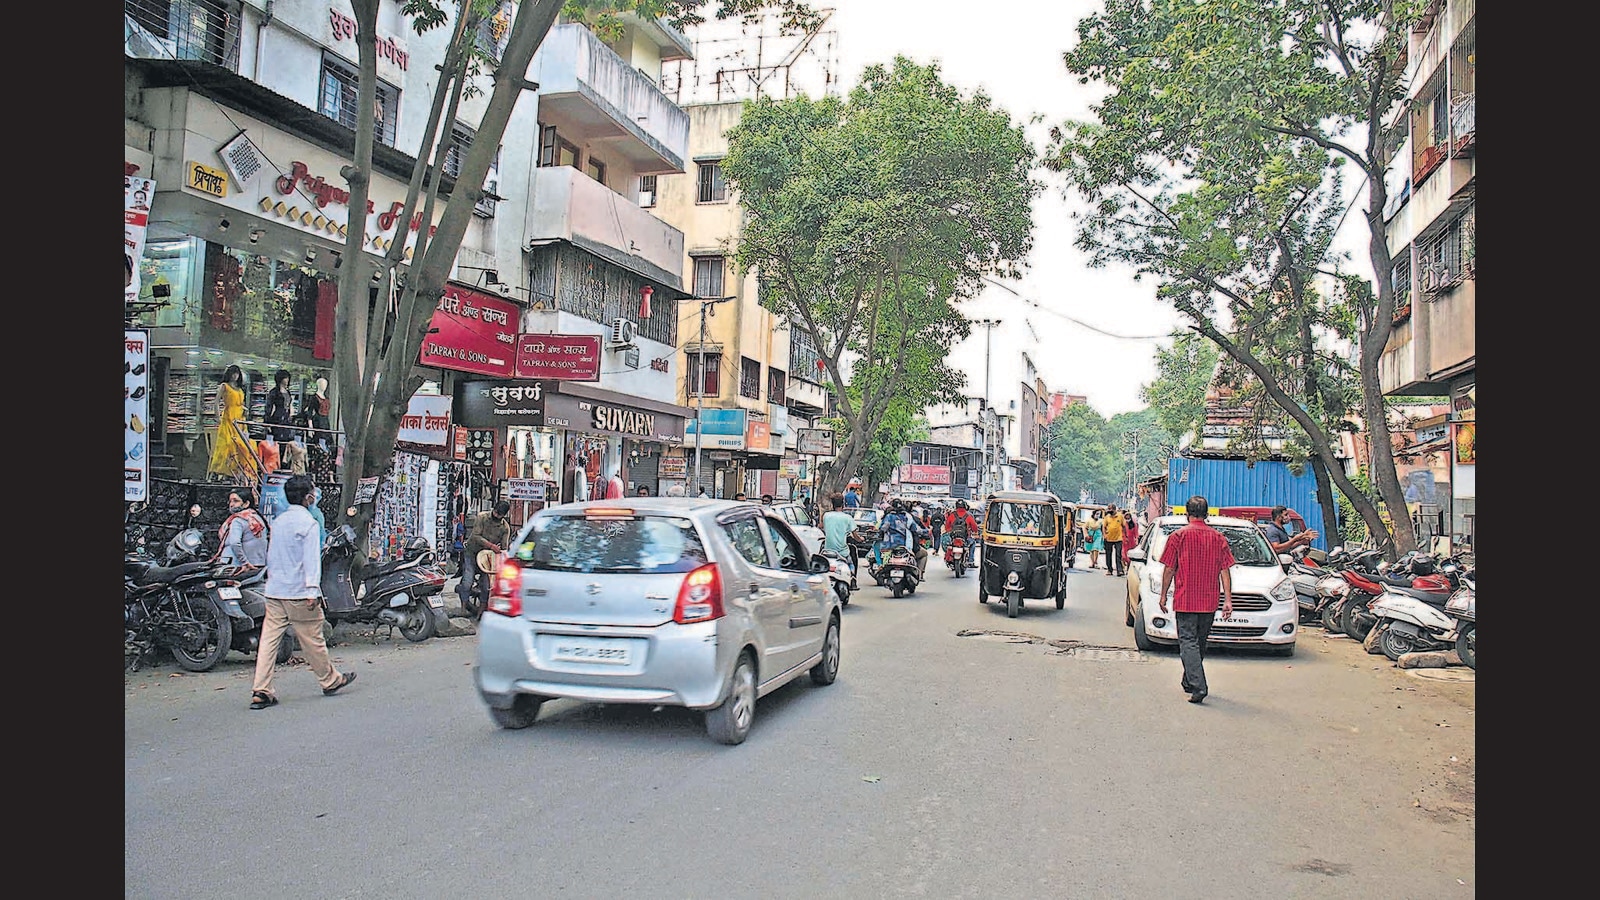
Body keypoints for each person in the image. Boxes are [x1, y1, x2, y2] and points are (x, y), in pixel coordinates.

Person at [250, 475, 356, 709]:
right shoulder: (308, 524)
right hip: (298, 591)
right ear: (308, 497)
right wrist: (312, 590)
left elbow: (273, 556)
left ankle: (261, 689)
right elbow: (311, 560)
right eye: (313, 492)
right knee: (313, 638)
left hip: (275, 590)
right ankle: (329, 680)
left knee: (268, 641)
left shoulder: (278, 522)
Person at [1158, 495, 1236, 704]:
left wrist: (1164, 594)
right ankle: (1189, 681)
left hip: (1186, 598)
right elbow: (1225, 570)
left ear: (1187, 513)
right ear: (1207, 513)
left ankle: (1199, 686)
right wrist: (1227, 599)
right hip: (1209, 600)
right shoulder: (1218, 538)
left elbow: (1169, 568)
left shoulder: (1178, 536)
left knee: (1188, 642)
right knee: (1199, 643)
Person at [459, 500, 512, 612]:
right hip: (472, 553)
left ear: (504, 515)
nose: (496, 515)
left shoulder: (505, 528)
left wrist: (502, 551)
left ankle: (481, 610)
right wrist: (491, 545)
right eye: (496, 512)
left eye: (499, 514)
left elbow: (504, 547)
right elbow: (475, 536)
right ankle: (463, 608)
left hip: (487, 559)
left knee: (487, 586)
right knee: (467, 582)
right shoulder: (482, 517)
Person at [207, 365, 255, 480]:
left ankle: (236, 471)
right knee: (227, 444)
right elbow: (216, 402)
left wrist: (244, 411)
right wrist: (217, 416)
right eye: (233, 373)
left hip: (240, 418)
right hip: (229, 417)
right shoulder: (225, 386)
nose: (235, 376)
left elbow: (241, 403)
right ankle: (221, 470)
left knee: (240, 444)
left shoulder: (239, 389)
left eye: (237, 373)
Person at [216, 488, 269, 567]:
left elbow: (234, 543)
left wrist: (245, 562)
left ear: (246, 503)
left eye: (235, 501)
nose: (231, 504)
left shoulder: (238, 520)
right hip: (258, 563)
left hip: (237, 566)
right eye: (230, 501)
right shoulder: (258, 518)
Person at [822, 494, 857, 576]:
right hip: (842, 552)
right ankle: (853, 578)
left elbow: (822, 527)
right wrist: (861, 539)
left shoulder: (826, 516)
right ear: (843, 504)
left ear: (832, 504)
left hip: (827, 551)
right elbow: (855, 535)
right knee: (852, 563)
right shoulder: (848, 518)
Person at [264, 369, 296, 444]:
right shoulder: (274, 392)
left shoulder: (288, 392)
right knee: (277, 439)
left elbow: (289, 404)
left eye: (288, 378)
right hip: (277, 417)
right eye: (285, 378)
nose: (287, 380)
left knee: (286, 439)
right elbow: (269, 407)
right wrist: (267, 421)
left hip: (286, 418)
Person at [1102, 503, 1126, 577]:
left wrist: (1125, 535)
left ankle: (1119, 570)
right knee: (1108, 554)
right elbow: (1104, 527)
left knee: (1118, 555)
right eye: (1109, 509)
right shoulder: (1107, 517)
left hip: (1118, 538)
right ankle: (1109, 569)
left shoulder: (1120, 516)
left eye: (1111, 509)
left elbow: (1124, 526)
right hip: (1108, 538)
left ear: (1115, 510)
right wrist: (1104, 535)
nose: (1110, 511)